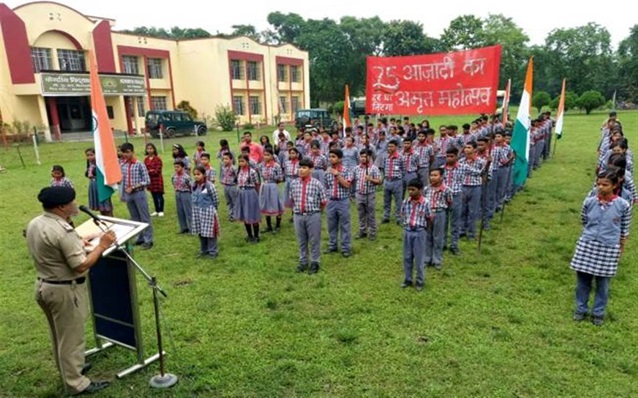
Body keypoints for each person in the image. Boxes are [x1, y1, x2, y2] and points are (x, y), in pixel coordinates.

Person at [26, 186, 116, 395]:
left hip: (43, 285)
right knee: (72, 339)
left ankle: (69, 370)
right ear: (62, 207)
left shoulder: (36, 223)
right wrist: (102, 245)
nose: (75, 204)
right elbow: (81, 265)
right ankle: (76, 383)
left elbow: (52, 246)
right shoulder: (62, 230)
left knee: (59, 335)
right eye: (72, 202)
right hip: (64, 290)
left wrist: (76, 242)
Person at [570, 170, 632, 326]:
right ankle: (581, 309)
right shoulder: (589, 202)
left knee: (602, 284)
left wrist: (621, 247)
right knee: (582, 282)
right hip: (588, 244)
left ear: (615, 185)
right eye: (598, 184)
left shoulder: (623, 205)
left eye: (605, 185)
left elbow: (624, 228)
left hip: (608, 247)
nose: (601, 187)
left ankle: (598, 312)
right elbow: (584, 220)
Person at [290, 158, 327, 274]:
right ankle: (303, 261)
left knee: (314, 239)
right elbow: (292, 199)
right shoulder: (294, 183)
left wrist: (317, 212)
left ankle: (315, 261)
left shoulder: (317, 184)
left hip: (313, 215)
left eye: (304, 168)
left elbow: (323, 201)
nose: (301, 170)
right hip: (298, 215)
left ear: (311, 169)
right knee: (302, 240)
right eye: (300, 167)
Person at [120, 143, 153, 249]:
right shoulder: (123, 165)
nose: (125, 154)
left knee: (144, 217)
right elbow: (122, 181)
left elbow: (147, 181)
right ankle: (140, 237)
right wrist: (123, 194)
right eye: (123, 152)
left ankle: (148, 239)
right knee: (134, 217)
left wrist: (133, 187)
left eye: (127, 152)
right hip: (128, 195)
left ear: (132, 152)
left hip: (139, 193)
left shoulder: (139, 164)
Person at [400, 179, 430, 291]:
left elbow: (429, 218)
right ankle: (408, 279)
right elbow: (403, 214)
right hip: (408, 231)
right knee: (407, 257)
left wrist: (423, 230)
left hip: (419, 232)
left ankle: (420, 281)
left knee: (419, 258)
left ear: (420, 190)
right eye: (409, 190)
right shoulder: (405, 202)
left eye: (413, 190)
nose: (410, 192)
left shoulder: (426, 203)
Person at [323, 149, 354, 257]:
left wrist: (337, 175)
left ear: (340, 158)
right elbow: (326, 186)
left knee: (344, 225)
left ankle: (346, 247)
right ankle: (332, 245)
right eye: (330, 156)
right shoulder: (327, 172)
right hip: (331, 201)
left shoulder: (346, 170)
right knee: (331, 224)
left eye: (333, 156)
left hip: (343, 201)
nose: (331, 158)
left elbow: (347, 185)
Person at [423, 168, 453, 270]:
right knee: (427, 236)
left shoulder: (447, 190)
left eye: (435, 175)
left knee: (438, 237)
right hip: (428, 213)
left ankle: (437, 260)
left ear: (441, 177)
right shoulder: (427, 189)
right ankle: (427, 258)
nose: (433, 178)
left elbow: (449, 202)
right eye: (431, 175)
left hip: (440, 213)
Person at [191, 165, 220, 258]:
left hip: (208, 212)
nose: (196, 176)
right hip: (197, 212)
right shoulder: (194, 185)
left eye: (198, 174)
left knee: (210, 232)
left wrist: (212, 209)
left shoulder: (210, 186)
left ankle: (213, 251)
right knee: (201, 231)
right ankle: (204, 250)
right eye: (194, 174)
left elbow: (216, 199)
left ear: (204, 174)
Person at [352, 148, 381, 240]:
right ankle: (362, 231)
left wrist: (371, 179)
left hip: (370, 194)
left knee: (370, 214)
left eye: (365, 156)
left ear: (370, 157)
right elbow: (352, 180)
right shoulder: (356, 168)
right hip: (359, 194)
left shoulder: (373, 168)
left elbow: (379, 181)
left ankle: (372, 232)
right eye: (362, 156)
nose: (363, 158)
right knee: (361, 214)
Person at [234, 154, 262, 242]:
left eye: (243, 161)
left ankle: (256, 236)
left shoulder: (252, 172)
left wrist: (256, 195)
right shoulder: (239, 171)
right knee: (245, 214)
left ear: (247, 162)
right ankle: (249, 235)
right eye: (239, 161)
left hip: (250, 193)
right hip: (242, 193)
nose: (241, 163)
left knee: (252, 214)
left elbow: (257, 183)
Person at [259, 148, 284, 233]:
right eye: (264, 155)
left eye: (268, 155)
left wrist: (273, 178)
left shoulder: (276, 165)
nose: (266, 157)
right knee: (266, 204)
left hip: (273, 186)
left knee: (276, 204)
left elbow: (281, 178)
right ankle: (269, 226)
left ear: (272, 156)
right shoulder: (262, 165)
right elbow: (260, 174)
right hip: (265, 186)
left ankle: (277, 226)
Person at [84, 148, 113, 217]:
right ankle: (104, 218)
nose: (89, 157)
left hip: (101, 186)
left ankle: (111, 219)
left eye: (91, 155)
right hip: (94, 186)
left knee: (106, 207)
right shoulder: (90, 164)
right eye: (88, 155)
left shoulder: (100, 164)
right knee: (101, 207)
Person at [144, 143, 165, 217]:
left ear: (154, 149)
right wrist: (150, 170)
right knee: (153, 195)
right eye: (148, 149)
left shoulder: (157, 159)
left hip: (157, 179)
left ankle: (161, 210)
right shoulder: (146, 159)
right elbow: (144, 170)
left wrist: (150, 171)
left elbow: (157, 171)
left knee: (159, 195)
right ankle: (156, 210)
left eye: (151, 148)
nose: (149, 150)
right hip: (150, 180)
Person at [172, 160, 193, 234]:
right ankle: (183, 227)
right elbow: (173, 184)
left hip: (185, 193)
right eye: (175, 167)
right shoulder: (174, 176)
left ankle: (192, 228)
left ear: (182, 167)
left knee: (188, 211)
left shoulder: (186, 177)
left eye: (178, 167)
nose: (176, 169)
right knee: (180, 211)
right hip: (178, 193)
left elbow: (191, 186)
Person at [220, 153, 238, 221]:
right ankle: (230, 214)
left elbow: (237, 176)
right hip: (226, 186)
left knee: (234, 201)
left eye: (226, 159)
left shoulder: (234, 168)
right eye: (224, 159)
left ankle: (235, 215)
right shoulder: (223, 167)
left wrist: (235, 182)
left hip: (232, 186)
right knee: (228, 201)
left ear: (231, 159)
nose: (225, 160)